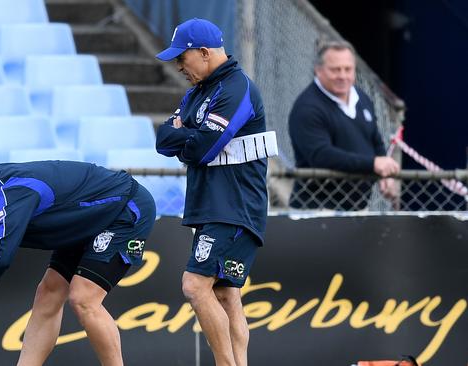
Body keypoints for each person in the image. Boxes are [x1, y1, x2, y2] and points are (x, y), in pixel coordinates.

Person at [0, 153, 156, 366]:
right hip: (83, 223)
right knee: (48, 293)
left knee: (83, 298)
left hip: (124, 209)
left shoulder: (11, 193)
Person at [155, 18, 271, 366]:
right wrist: (185, 138)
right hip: (213, 205)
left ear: (204, 52)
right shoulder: (198, 92)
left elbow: (203, 147)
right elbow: (162, 139)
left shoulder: (236, 88)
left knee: (194, 285)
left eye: (182, 57)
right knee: (225, 294)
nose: (178, 65)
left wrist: (184, 136)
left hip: (234, 205)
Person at [288, 40, 400, 210]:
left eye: (348, 69)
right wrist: (373, 164)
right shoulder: (307, 108)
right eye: (335, 69)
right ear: (318, 70)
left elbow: (375, 140)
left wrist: (384, 173)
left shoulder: (361, 98)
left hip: (359, 208)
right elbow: (322, 156)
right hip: (316, 210)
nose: (343, 76)